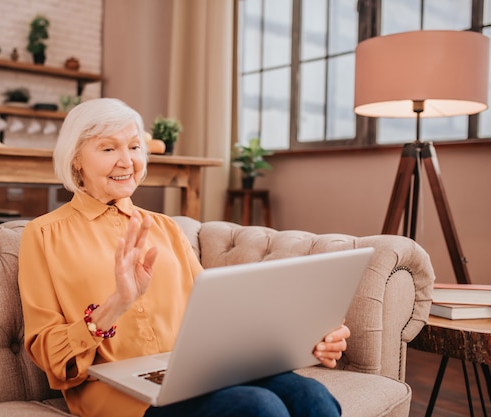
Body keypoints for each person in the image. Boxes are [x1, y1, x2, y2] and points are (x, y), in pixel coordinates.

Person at [18, 98, 350, 417]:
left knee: (312, 395)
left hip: (194, 372)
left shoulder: (166, 228)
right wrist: (116, 303)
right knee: (257, 407)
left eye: (134, 147)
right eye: (108, 148)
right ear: (76, 158)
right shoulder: (44, 234)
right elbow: (50, 355)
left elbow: (215, 314)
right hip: (120, 396)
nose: (126, 161)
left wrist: (307, 337)